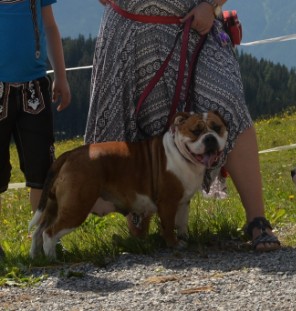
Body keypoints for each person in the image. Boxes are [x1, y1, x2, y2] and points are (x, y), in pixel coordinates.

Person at [86, 0, 280, 251]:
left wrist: (211, 6)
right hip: (128, 31)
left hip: (196, 25)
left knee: (227, 101)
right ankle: (141, 226)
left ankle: (258, 221)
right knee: (134, 123)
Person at [0, 0, 71, 213]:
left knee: (43, 169)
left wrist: (61, 75)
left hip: (35, 87)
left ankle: (43, 238)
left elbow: (49, 26)